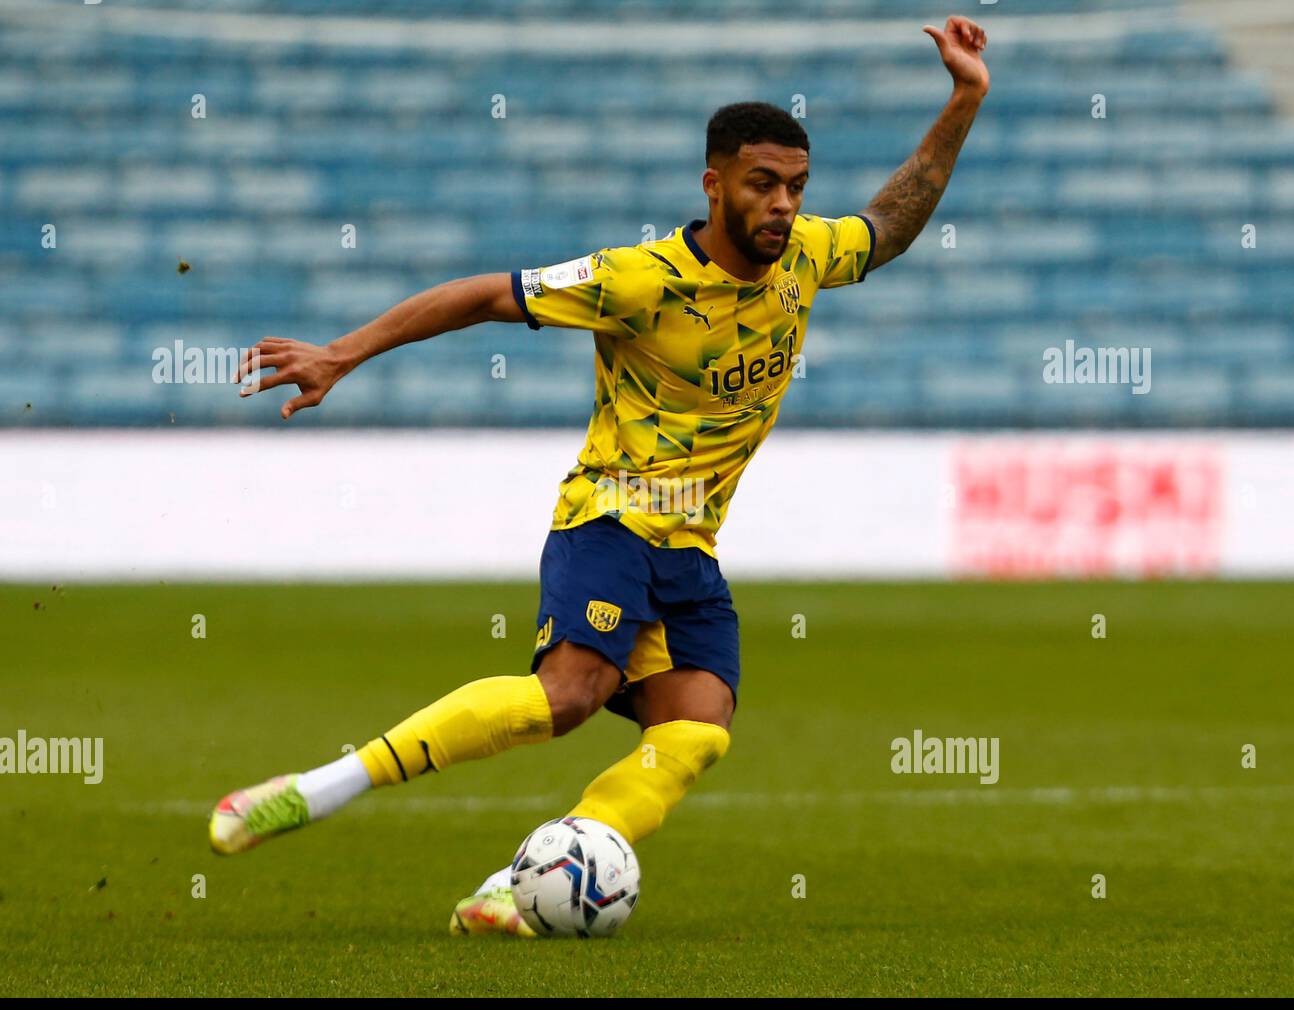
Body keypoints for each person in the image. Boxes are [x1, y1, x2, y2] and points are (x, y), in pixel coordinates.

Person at [208, 16, 989, 937]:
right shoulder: (638, 279)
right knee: (568, 697)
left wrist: (964, 98)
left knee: (698, 727)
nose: (784, 205)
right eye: (764, 184)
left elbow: (891, 224)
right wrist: (343, 353)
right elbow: (489, 294)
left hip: (691, 543)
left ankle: (521, 883)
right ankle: (313, 789)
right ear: (715, 184)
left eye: (797, 187)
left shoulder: (807, 260)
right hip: (611, 517)